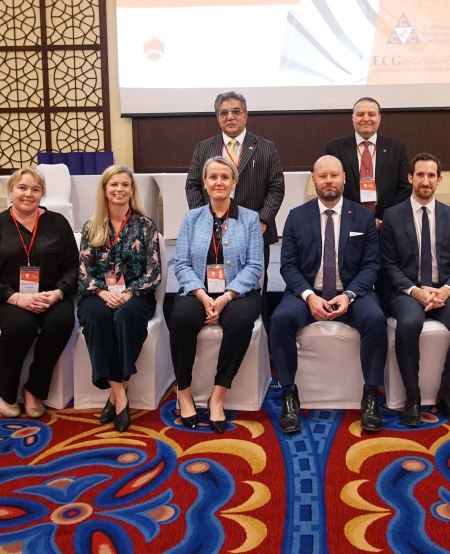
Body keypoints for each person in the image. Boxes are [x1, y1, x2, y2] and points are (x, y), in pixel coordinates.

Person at [270, 155, 386, 435]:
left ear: (345, 178)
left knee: (376, 319)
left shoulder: (363, 216)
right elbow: (288, 265)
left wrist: (349, 295)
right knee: (281, 319)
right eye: (323, 176)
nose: (329, 181)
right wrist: (309, 296)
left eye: (334, 175)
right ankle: (288, 393)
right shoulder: (297, 216)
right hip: (308, 292)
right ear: (314, 180)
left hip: (351, 292)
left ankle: (371, 394)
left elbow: (372, 265)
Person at [0, 167, 79, 419]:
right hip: (6, 299)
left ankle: (34, 389)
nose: (28, 194)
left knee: (63, 321)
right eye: (22, 188)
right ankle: (6, 393)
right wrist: (17, 298)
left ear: (42, 194)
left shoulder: (57, 223)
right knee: (21, 326)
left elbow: (73, 267)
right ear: (10, 191)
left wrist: (58, 293)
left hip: (49, 296)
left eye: (35, 189)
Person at [379, 153, 450, 427]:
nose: (425, 181)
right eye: (420, 174)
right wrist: (413, 291)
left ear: (439, 180)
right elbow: (388, 265)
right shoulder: (393, 216)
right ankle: (412, 395)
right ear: (410, 178)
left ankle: (446, 394)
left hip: (443, 290)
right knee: (408, 324)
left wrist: (446, 290)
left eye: (431, 175)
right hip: (407, 292)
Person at [170, 156, 264, 433]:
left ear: (234, 182)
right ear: (205, 182)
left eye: (225, 177)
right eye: (213, 177)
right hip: (198, 289)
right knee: (182, 318)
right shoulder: (192, 218)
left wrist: (226, 297)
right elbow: (182, 263)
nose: (219, 182)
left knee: (241, 322)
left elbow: (254, 265)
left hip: (238, 292)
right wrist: (201, 295)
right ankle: (184, 392)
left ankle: (218, 396)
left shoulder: (249, 218)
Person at [77, 165, 162, 431]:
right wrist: (102, 292)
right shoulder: (91, 227)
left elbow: (153, 271)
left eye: (125, 185)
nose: (119, 189)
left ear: (132, 190)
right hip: (98, 293)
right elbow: (82, 272)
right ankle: (120, 393)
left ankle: (116, 392)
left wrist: (127, 294)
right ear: (104, 189)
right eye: (114, 184)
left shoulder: (146, 226)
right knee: (95, 318)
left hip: (136, 294)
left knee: (126, 318)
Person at [185, 91, 285, 264]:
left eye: (236, 112)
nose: (230, 117)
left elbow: (276, 187)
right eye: (224, 113)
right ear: (218, 118)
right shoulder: (204, 148)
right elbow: (193, 185)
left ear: (245, 116)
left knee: (255, 283)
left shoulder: (265, 148)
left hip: (253, 229)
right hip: (212, 228)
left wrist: (262, 221)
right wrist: (204, 219)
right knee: (213, 280)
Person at [323, 97, 411, 224]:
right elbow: (332, 186)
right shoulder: (335, 148)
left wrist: (385, 218)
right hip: (347, 221)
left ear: (379, 118)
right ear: (352, 118)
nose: (366, 119)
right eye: (360, 114)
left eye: (371, 114)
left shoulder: (396, 148)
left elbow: (405, 187)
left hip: (387, 223)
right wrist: (354, 217)